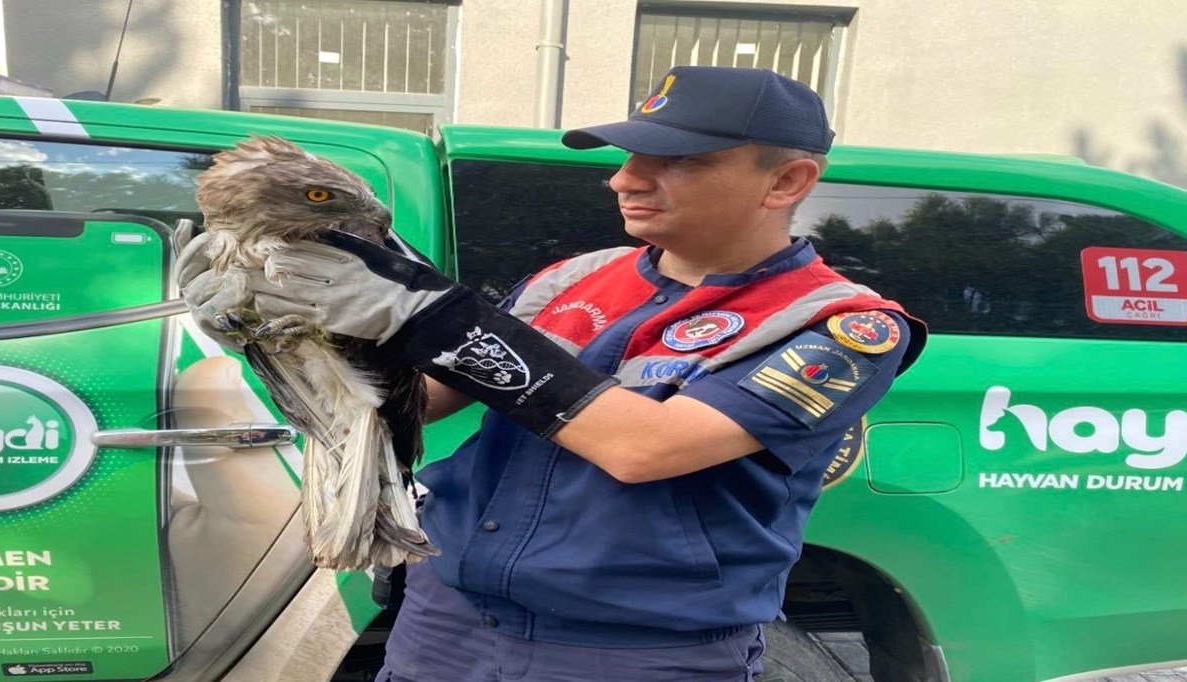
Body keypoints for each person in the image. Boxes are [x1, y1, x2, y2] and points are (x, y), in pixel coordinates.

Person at [178, 65, 926, 682]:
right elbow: (422, 402)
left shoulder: (839, 325)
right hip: (444, 621)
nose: (626, 180)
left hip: (630, 653)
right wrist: (292, 334)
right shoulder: (572, 277)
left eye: (679, 161)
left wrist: (432, 315)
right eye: (629, 156)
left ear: (788, 180)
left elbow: (646, 449)